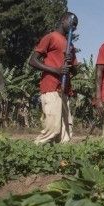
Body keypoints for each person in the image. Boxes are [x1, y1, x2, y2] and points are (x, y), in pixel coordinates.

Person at [29, 12, 78, 144]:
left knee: (66, 132)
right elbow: (33, 61)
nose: (74, 27)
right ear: (63, 20)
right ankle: (34, 149)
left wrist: (70, 62)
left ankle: (61, 160)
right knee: (53, 129)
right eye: (72, 23)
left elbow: (75, 70)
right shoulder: (51, 37)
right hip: (51, 87)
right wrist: (56, 70)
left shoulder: (70, 46)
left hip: (65, 90)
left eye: (76, 26)